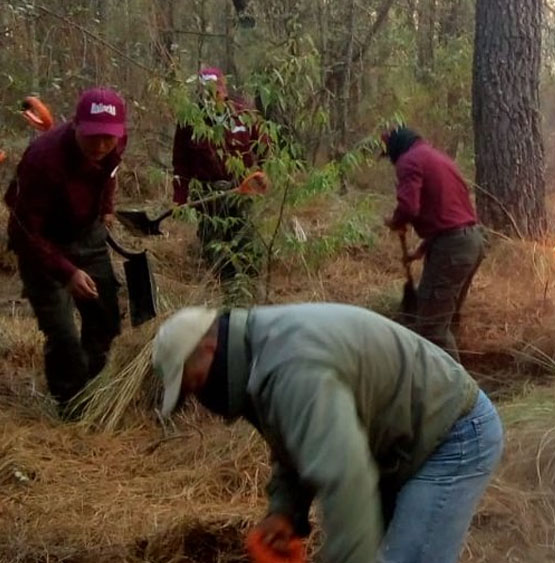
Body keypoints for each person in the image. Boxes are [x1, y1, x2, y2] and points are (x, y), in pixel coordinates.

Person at [152, 303, 503, 563]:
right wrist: (284, 512)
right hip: (398, 442)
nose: (197, 397)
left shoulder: (290, 369)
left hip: (452, 434)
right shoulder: (257, 352)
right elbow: (298, 442)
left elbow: (345, 479)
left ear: (209, 349)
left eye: (191, 383)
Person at [4, 88, 127, 419]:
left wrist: (106, 208)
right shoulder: (43, 159)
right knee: (63, 334)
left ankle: (99, 394)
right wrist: (66, 271)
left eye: (108, 137)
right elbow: (23, 230)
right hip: (41, 242)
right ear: (76, 126)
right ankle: (72, 408)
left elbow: (110, 172)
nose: (101, 146)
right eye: (93, 137)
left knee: (105, 320)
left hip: (87, 234)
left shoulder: (116, 141)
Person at [382, 126, 485, 361]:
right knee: (447, 319)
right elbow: (450, 214)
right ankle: (450, 375)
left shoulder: (408, 161)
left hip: (453, 248)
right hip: (472, 242)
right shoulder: (436, 157)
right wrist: (422, 249)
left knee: (431, 327)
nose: (391, 162)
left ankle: (457, 391)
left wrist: (396, 221)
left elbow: (408, 207)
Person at [172, 66, 267, 284]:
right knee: (214, 250)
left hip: (240, 189)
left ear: (224, 89)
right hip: (207, 194)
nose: (211, 95)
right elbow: (180, 163)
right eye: (206, 91)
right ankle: (225, 288)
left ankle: (250, 288)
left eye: (216, 89)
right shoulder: (190, 121)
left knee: (246, 244)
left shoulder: (242, 114)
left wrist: (261, 172)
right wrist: (179, 198)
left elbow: (264, 145)